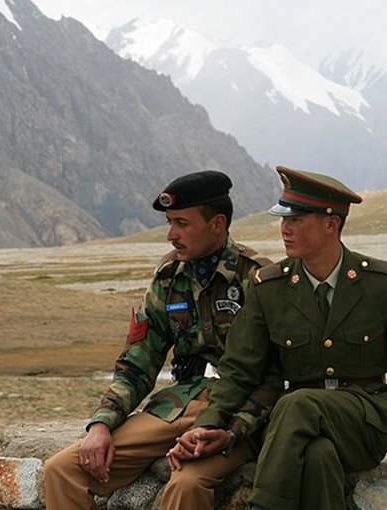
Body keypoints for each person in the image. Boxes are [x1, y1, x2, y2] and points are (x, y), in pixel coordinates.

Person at [186, 165, 387, 510]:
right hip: (298, 427)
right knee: (318, 456)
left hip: (366, 419)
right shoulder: (269, 287)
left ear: (332, 224)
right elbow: (240, 369)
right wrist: (208, 423)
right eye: (284, 220)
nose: (285, 229)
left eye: (297, 220)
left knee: (296, 402)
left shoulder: (383, 282)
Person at [44, 170, 279, 509]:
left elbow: (275, 375)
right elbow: (138, 362)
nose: (171, 234)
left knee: (186, 484)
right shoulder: (169, 278)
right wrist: (101, 422)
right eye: (170, 222)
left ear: (217, 224)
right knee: (63, 469)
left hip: (237, 415)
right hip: (177, 406)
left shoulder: (256, 278)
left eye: (182, 223)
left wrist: (232, 431)